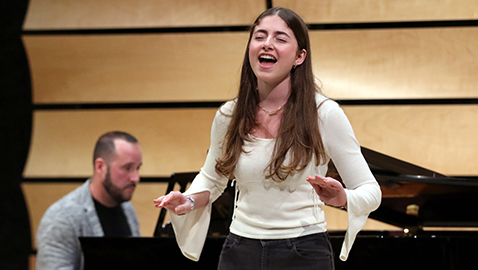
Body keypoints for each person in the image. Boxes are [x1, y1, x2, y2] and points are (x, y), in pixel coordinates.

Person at [154, 7, 381, 270]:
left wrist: (343, 198)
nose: (267, 44)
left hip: (303, 252)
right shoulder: (229, 115)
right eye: (260, 36)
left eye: (280, 38)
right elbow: (213, 178)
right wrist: (189, 199)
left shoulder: (324, 114)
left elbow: (371, 191)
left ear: (299, 56)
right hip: (240, 250)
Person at [36, 131, 142, 270]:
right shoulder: (61, 218)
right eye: (127, 168)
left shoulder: (127, 208)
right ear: (100, 167)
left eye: (138, 168)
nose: (135, 178)